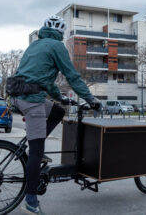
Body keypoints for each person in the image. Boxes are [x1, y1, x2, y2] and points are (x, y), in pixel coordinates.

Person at [10, 15, 100, 215]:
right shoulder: (57, 47)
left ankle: (36, 145)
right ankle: (30, 201)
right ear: (61, 32)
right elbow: (72, 76)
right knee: (36, 152)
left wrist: (60, 97)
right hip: (32, 101)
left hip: (18, 96)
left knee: (58, 110)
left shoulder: (35, 45)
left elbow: (45, 79)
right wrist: (91, 99)